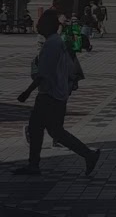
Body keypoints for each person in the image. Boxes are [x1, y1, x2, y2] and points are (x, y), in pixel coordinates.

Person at [12, 9, 100, 176]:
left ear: (47, 26)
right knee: (54, 131)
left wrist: (27, 92)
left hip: (49, 96)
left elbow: (43, 75)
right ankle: (88, 155)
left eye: (40, 23)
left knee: (38, 128)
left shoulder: (51, 44)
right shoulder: (57, 42)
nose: (37, 25)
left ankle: (34, 165)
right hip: (58, 94)